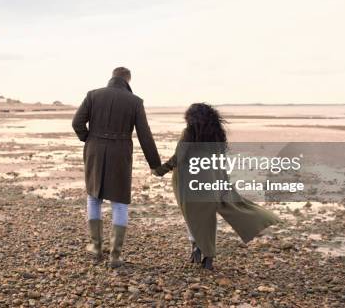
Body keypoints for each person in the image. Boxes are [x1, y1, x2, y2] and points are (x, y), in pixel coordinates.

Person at [153, 103, 281, 269]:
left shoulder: (189, 132)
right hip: (212, 179)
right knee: (210, 216)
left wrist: (160, 170)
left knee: (192, 216)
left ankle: (197, 248)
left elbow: (179, 156)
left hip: (190, 181)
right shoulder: (218, 134)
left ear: (191, 117)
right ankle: (209, 257)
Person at [72, 67, 161, 268]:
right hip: (120, 153)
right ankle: (115, 255)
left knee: (94, 197)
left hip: (94, 150)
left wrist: (89, 139)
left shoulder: (93, 95)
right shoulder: (135, 102)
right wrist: (155, 164)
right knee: (119, 201)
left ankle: (96, 248)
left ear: (111, 77)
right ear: (128, 80)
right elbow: (145, 134)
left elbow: (77, 122)